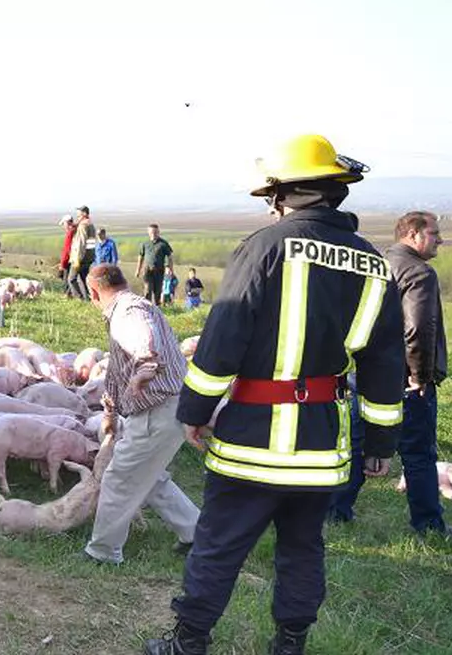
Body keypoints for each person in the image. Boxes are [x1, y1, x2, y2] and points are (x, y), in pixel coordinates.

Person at [145, 134, 405, 655]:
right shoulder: (375, 265)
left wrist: (194, 412)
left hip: (250, 444)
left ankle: (187, 643)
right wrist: (380, 444)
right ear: (333, 192)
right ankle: (289, 646)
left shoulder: (264, 247)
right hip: (320, 449)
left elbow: (222, 342)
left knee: (218, 547)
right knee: (304, 550)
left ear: (282, 194)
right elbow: (384, 364)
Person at [328, 211, 452, 535]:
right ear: (412, 234)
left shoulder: (377, 262)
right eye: (434, 233)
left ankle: (336, 511)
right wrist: (421, 377)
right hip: (404, 379)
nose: (440, 239)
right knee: (418, 453)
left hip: (365, 374)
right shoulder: (419, 273)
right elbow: (419, 330)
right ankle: (429, 524)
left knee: (358, 446)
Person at [81, 265, 200, 566]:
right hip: (165, 409)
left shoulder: (129, 312)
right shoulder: (133, 307)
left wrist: (145, 369)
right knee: (151, 478)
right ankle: (197, 534)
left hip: (156, 412)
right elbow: (118, 368)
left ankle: (104, 553)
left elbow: (143, 342)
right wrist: (110, 409)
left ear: (94, 292)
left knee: (120, 479)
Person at [136, 223, 174, 305]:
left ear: (158, 232)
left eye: (155, 232)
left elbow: (170, 256)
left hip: (159, 271)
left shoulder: (163, 243)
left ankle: (157, 309)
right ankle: (147, 308)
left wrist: (170, 268)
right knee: (148, 290)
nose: (153, 234)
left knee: (158, 291)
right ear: (148, 232)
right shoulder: (145, 244)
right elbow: (140, 257)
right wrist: (138, 270)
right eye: (152, 232)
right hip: (147, 270)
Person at [67, 206, 97, 301]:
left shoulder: (83, 225)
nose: (77, 216)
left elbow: (81, 243)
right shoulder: (91, 225)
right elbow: (91, 243)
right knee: (84, 279)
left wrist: (77, 259)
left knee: (71, 279)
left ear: (84, 214)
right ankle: (91, 299)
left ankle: (79, 298)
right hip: (89, 257)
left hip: (80, 257)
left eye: (79, 214)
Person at [59, 215, 76, 294]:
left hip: (70, 260)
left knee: (67, 280)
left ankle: (67, 295)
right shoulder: (76, 230)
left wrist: (62, 264)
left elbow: (67, 250)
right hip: (77, 259)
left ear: (68, 223)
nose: (63, 226)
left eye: (64, 224)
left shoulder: (70, 233)